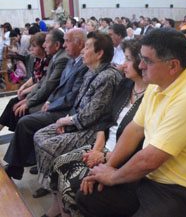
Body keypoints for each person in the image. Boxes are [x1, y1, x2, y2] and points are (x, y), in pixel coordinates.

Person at [76, 28, 186, 217]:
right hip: (152, 179)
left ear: (172, 66)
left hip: (185, 190)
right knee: (88, 197)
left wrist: (113, 176)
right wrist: (109, 166)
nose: (140, 66)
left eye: (147, 61)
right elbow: (135, 129)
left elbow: (150, 159)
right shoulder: (156, 86)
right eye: (140, 58)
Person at [46, 39, 147, 217]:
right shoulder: (126, 85)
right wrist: (98, 147)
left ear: (142, 63)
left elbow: (141, 142)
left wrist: (105, 155)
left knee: (74, 184)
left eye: (128, 59)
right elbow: (106, 117)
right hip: (103, 147)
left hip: (121, 156)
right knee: (58, 163)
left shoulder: (151, 96)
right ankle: (60, 211)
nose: (123, 65)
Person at [33, 31, 122, 193]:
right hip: (79, 122)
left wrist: (65, 122)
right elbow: (78, 103)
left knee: (48, 145)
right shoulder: (91, 71)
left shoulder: (107, 76)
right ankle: (51, 185)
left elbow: (91, 115)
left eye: (87, 47)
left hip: (94, 130)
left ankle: (54, 191)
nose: (82, 51)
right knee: (39, 135)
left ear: (99, 53)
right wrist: (66, 120)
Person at [3, 29, 69, 179]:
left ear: (56, 45)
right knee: (18, 106)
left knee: (24, 118)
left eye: (47, 42)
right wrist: (27, 99)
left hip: (58, 104)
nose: (45, 46)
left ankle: (19, 162)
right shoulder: (57, 57)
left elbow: (49, 86)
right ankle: (24, 157)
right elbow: (43, 83)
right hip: (51, 99)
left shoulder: (61, 59)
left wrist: (30, 102)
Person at [0, 32, 50, 132]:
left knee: (16, 104)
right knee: (13, 102)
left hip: (41, 94)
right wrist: (23, 87)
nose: (31, 49)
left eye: (34, 46)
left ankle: (19, 135)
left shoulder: (48, 61)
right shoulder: (38, 59)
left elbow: (41, 83)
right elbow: (34, 77)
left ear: (43, 47)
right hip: (35, 90)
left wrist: (25, 92)